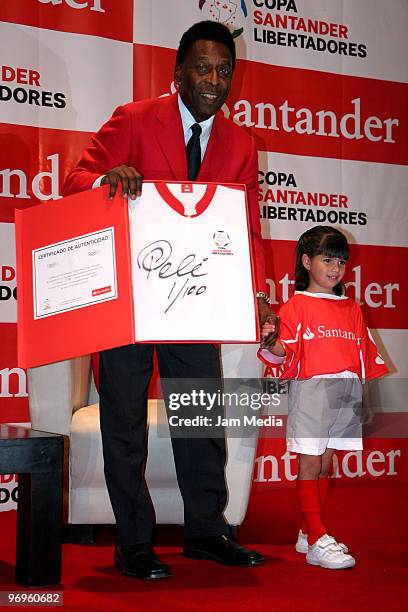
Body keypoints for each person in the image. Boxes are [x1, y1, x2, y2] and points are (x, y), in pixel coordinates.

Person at [63, 20, 273, 580]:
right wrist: (107, 176)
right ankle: (133, 542)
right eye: (202, 68)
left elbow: (247, 230)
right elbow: (73, 180)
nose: (213, 80)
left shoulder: (242, 145)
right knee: (124, 422)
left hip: (194, 302)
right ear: (178, 72)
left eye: (224, 70)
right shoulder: (134, 119)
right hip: (128, 303)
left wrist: (259, 296)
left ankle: (207, 531)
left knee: (200, 418)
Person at [259, 226, 388, 570]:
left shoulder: (352, 308)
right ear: (306, 261)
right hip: (312, 392)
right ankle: (317, 538)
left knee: (326, 463)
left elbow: (363, 355)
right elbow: (280, 352)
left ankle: (307, 531)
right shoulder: (295, 306)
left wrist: (366, 399)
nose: (335, 268)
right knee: (310, 462)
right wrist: (270, 341)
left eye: (341, 262)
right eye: (327, 259)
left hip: (346, 393)